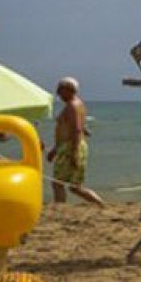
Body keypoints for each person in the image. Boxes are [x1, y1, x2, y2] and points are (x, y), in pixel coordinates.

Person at [48, 77, 105, 206]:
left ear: (69, 90)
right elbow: (79, 127)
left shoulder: (72, 106)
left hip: (71, 146)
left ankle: (60, 208)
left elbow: (76, 129)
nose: (58, 94)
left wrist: (74, 153)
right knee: (75, 187)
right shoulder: (77, 104)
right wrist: (55, 149)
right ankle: (100, 204)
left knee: (58, 183)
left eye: (60, 91)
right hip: (72, 145)